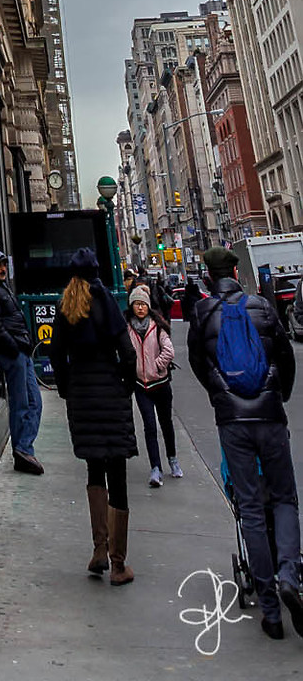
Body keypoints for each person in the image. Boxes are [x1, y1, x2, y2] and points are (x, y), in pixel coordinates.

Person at [188, 244, 303, 641]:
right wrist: (279, 396)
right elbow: (285, 358)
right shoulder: (262, 308)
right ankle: (291, 573)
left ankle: (270, 610)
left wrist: (221, 397)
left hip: (233, 423)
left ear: (208, 276)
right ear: (235, 274)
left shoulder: (202, 313)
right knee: (285, 499)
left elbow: (198, 364)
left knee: (250, 509)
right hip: (270, 416)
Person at [51, 245, 138, 584]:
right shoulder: (106, 302)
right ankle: (118, 565)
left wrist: (65, 388)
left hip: (83, 396)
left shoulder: (67, 306)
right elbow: (128, 353)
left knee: (94, 470)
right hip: (110, 393)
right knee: (117, 472)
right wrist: (126, 385)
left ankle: (99, 549)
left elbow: (56, 354)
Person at [0, 247, 44, 475]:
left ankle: (23, 448)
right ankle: (23, 450)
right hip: (14, 352)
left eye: (4, 264)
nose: (2, 269)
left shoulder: (2, 288)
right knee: (22, 402)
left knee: (33, 401)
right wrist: (14, 347)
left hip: (20, 351)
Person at [126, 282, 183, 485]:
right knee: (150, 426)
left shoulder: (157, 327)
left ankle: (173, 459)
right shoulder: (128, 329)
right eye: (136, 304)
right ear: (131, 306)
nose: (140, 307)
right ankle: (155, 468)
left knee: (166, 423)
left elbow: (169, 350)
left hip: (161, 383)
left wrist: (157, 365)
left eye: (143, 304)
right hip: (141, 386)